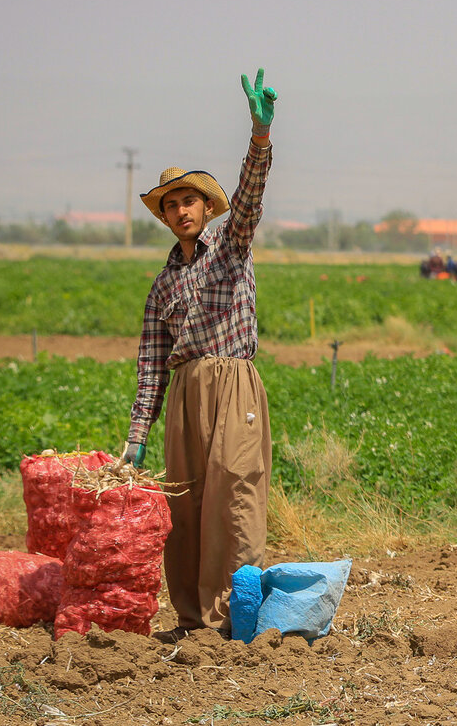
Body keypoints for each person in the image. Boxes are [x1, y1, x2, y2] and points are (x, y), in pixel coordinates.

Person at [120, 68, 278, 637]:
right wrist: (137, 436)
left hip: (233, 385)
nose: (182, 210)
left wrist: (259, 136)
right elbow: (149, 367)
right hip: (185, 393)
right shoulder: (162, 285)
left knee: (235, 493)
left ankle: (238, 614)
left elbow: (251, 198)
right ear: (164, 218)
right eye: (172, 205)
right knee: (184, 509)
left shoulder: (231, 247)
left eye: (190, 200)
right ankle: (192, 619)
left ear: (206, 208)